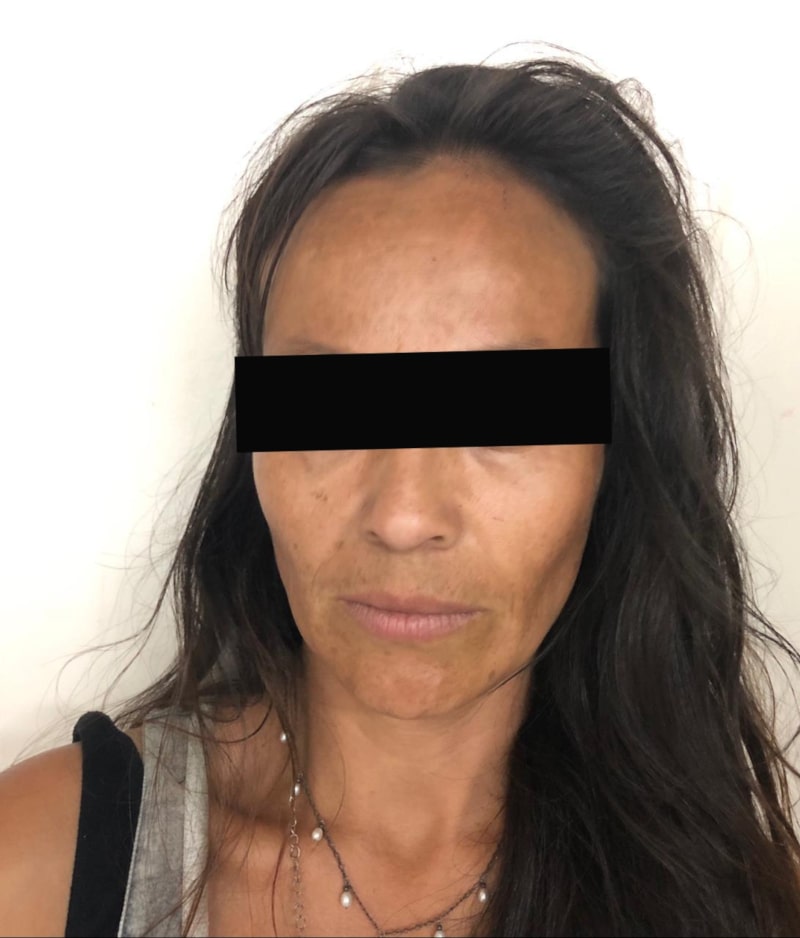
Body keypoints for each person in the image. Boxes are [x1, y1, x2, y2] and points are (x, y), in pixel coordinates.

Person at [2, 49, 800, 938]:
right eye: (328, 406)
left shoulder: (736, 902)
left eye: (503, 414)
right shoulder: (37, 871)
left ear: (619, 457)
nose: (404, 516)